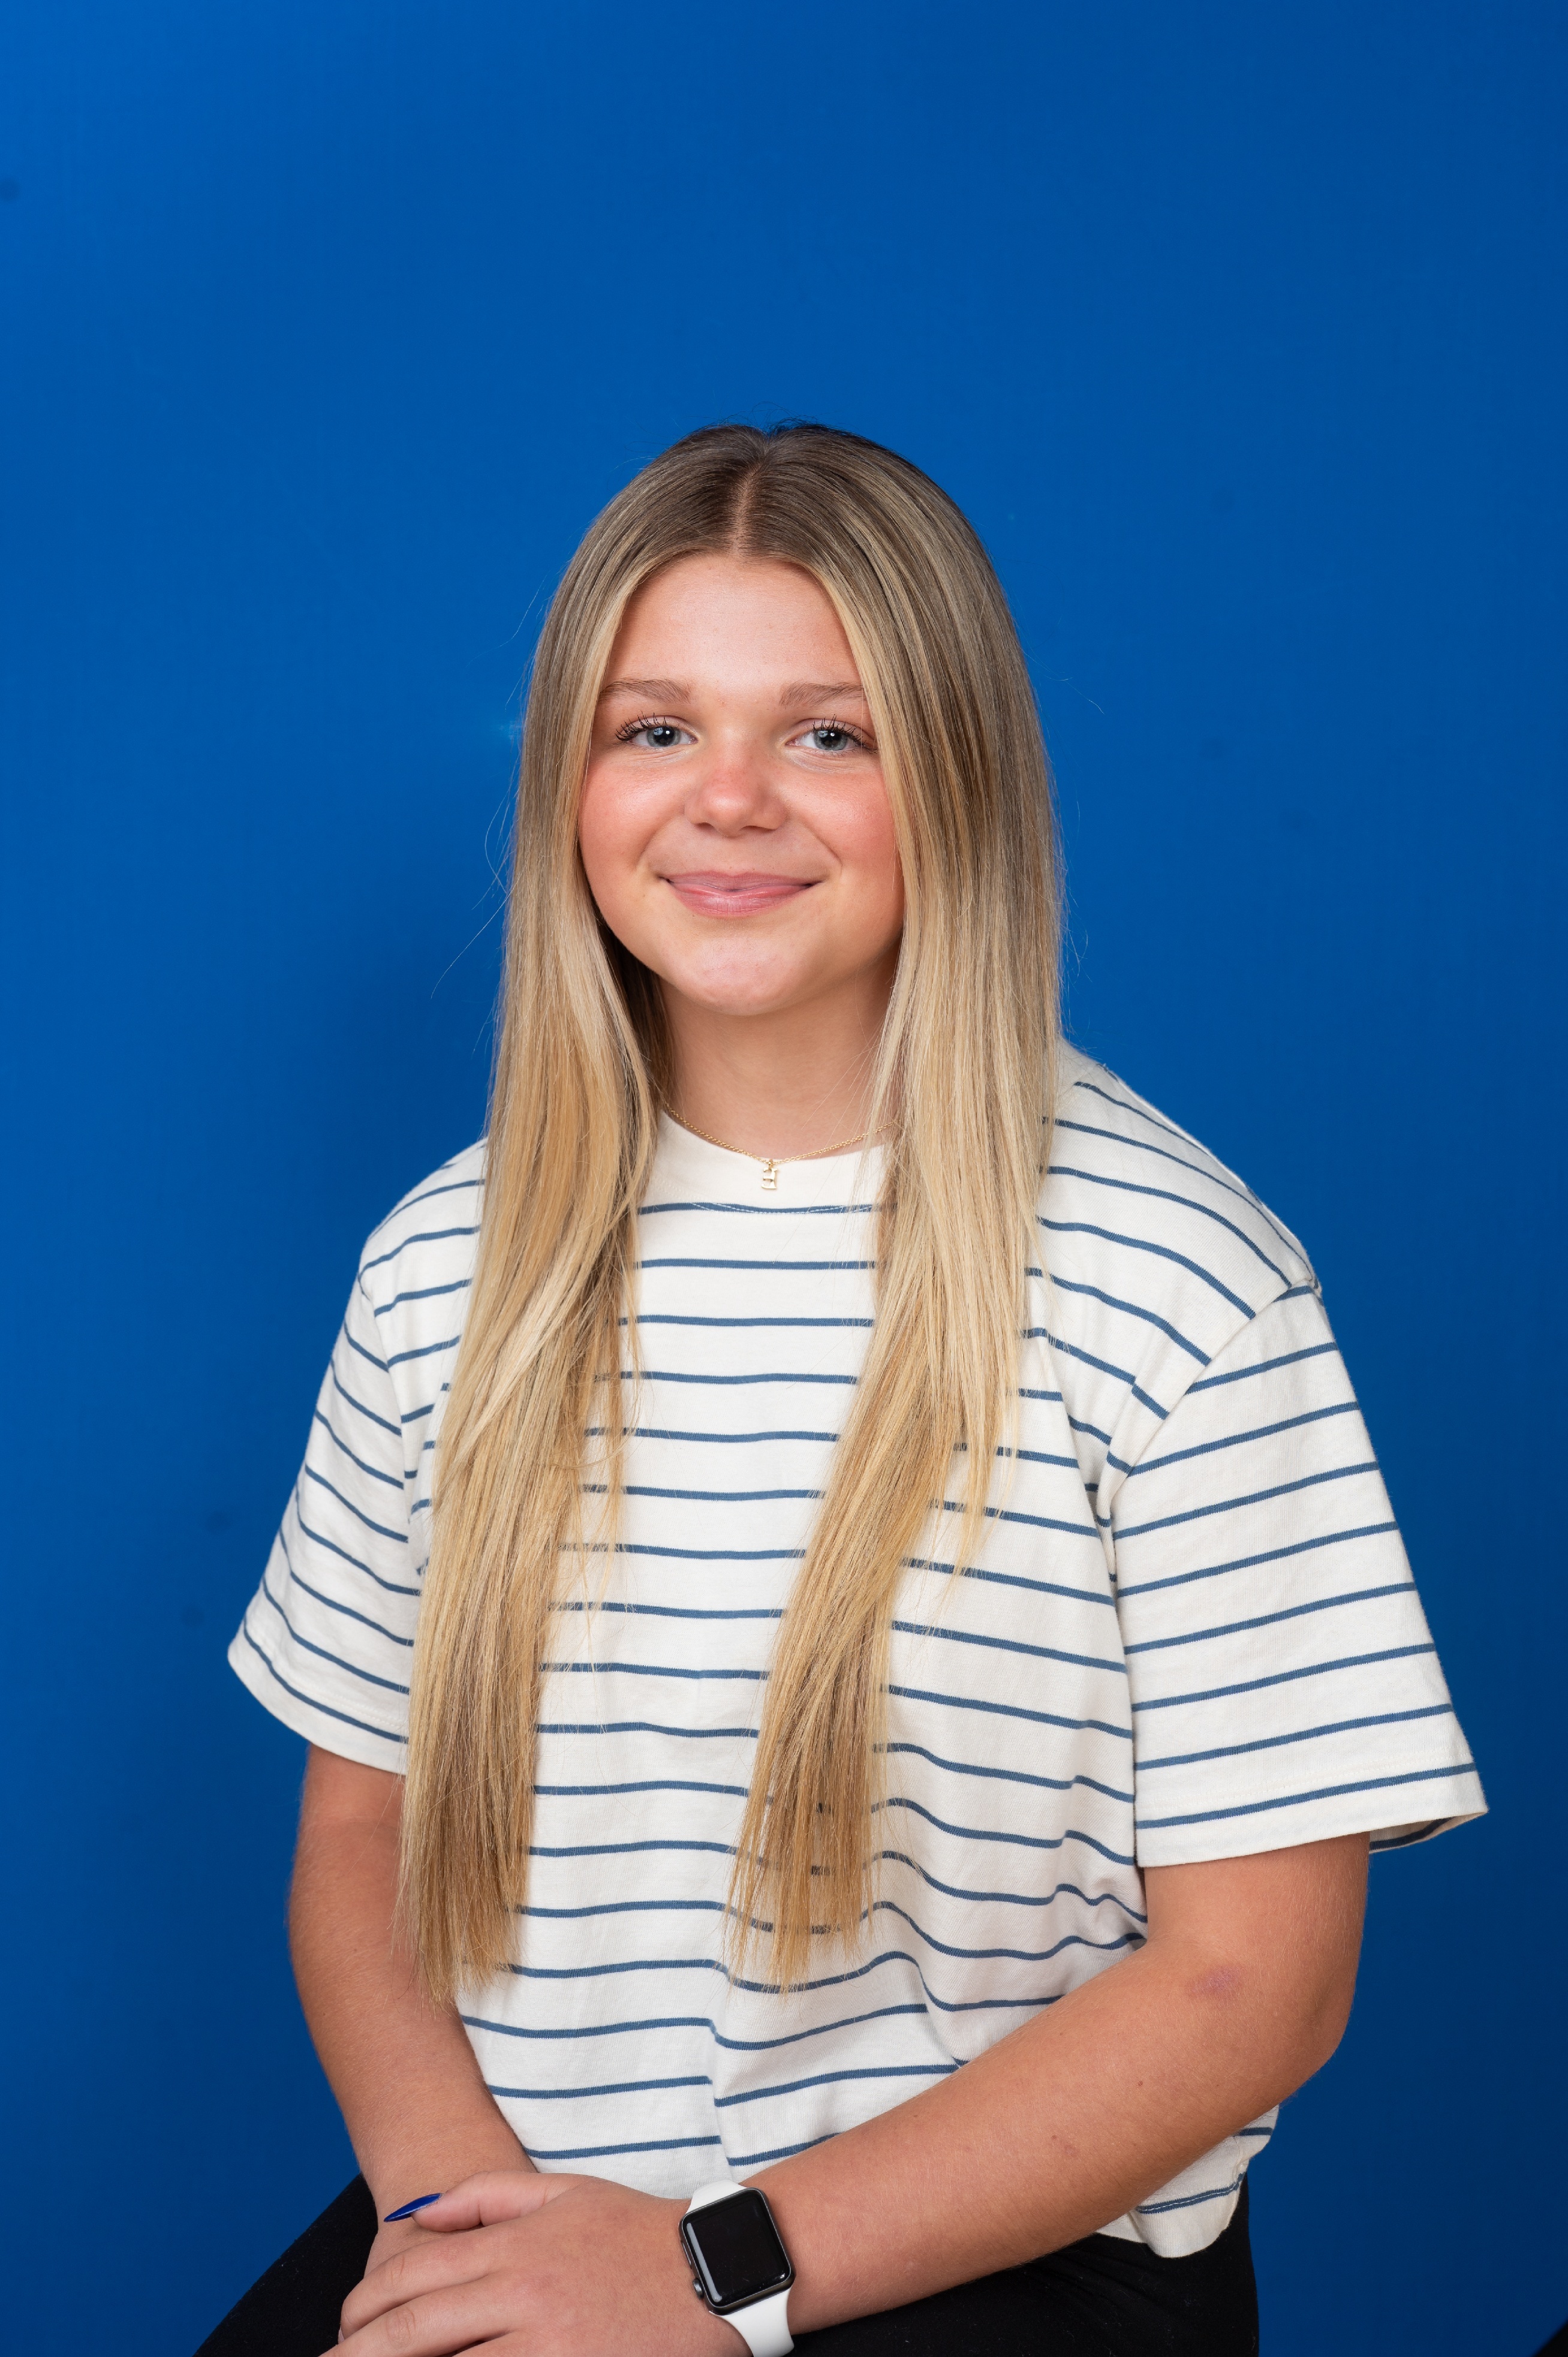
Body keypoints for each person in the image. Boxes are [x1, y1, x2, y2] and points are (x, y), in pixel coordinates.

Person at [204, 423, 1482, 2357]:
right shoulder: (442, 1269)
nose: (727, 799)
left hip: (996, 2253)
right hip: (531, 2199)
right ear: (569, 788)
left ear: (954, 778)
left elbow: (1254, 1985)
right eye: (655, 729)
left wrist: (711, 2274)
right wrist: (467, 2232)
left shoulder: (1173, 1279)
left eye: (827, 733)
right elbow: (357, 1844)